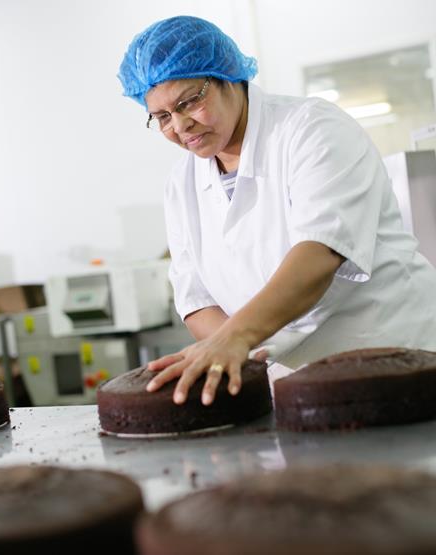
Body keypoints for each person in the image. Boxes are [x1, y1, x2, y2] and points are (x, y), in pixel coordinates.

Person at [118, 15, 436, 406]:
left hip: (391, 359)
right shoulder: (182, 182)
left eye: (190, 101)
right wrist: (237, 354)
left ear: (227, 76)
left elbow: (320, 252)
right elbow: (195, 297)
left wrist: (236, 338)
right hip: (287, 382)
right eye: (163, 117)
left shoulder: (311, 129)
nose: (181, 125)